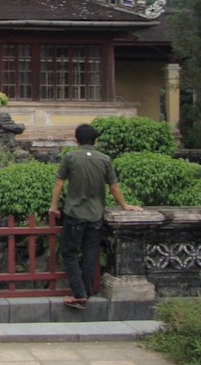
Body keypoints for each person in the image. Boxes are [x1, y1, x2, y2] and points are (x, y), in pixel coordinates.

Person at [48, 123, 143, 308]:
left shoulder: (70, 158)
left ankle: (78, 293)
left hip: (74, 213)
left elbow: (59, 184)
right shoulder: (105, 159)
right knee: (91, 253)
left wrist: (53, 206)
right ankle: (87, 290)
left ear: (76, 140)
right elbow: (113, 187)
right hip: (96, 214)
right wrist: (124, 205)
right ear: (96, 140)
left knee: (69, 252)